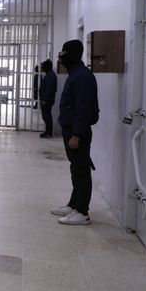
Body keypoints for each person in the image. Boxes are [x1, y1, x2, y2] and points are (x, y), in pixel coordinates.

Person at [51, 40, 99, 225]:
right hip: (71, 129)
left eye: (63, 55)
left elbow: (83, 109)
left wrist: (77, 134)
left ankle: (82, 212)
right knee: (76, 168)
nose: (61, 59)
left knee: (81, 170)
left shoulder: (82, 77)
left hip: (76, 132)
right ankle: (74, 204)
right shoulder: (76, 74)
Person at [38, 59, 58, 138]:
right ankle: (48, 132)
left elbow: (49, 90)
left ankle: (49, 132)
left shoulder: (50, 76)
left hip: (47, 100)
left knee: (47, 116)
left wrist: (44, 100)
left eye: (43, 66)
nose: (42, 68)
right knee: (46, 116)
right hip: (47, 99)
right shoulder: (49, 75)